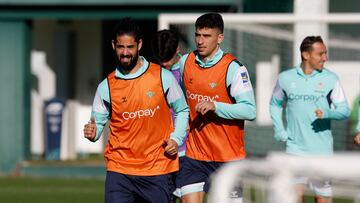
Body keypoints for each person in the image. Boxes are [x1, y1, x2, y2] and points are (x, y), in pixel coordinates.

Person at [83, 17, 189, 203]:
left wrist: (176, 138)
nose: (125, 53)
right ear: (113, 45)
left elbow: (182, 110)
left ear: (139, 45)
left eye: (129, 47)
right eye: (120, 47)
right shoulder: (106, 86)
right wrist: (93, 132)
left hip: (157, 170)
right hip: (120, 170)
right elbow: (97, 124)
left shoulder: (162, 76)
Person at [178, 13, 256, 203]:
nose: (200, 41)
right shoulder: (185, 62)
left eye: (207, 36)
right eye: (198, 35)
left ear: (220, 37)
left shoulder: (234, 69)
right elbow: (181, 104)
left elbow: (250, 111)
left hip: (228, 159)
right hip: (194, 156)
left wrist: (216, 106)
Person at [269, 36, 350, 203]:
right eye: (320, 54)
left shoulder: (331, 79)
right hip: (295, 150)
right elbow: (274, 104)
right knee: (294, 197)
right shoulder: (285, 78)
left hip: (322, 152)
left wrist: (327, 113)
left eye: (325, 53)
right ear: (306, 55)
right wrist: (279, 129)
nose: (325, 58)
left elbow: (344, 110)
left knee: (322, 199)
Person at [151, 29, 187, 200]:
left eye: (168, 59)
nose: (164, 64)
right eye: (160, 60)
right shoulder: (153, 75)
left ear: (178, 49)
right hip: (162, 152)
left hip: (188, 151)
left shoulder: (190, 70)